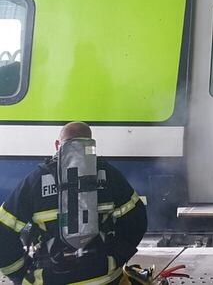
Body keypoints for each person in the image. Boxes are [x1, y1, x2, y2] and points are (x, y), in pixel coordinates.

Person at [0, 122, 147, 284]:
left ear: (57, 145)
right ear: (90, 144)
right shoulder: (110, 176)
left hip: (49, 278)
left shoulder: (34, 182)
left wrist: (19, 272)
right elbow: (137, 221)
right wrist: (116, 257)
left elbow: (3, 232)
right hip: (104, 278)